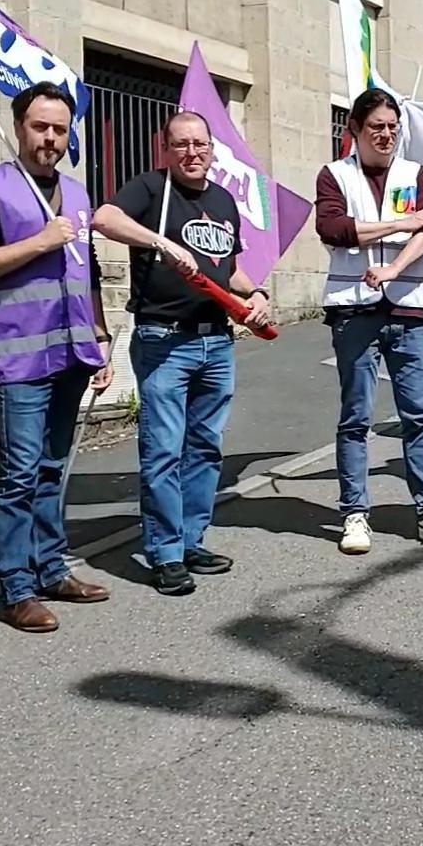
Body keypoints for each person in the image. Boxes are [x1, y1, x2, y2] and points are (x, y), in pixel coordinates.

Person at [93, 111, 272, 594]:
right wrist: (160, 243)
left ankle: (192, 539)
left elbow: (226, 270)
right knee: (163, 451)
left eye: (200, 145)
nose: (192, 153)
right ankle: (166, 553)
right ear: (166, 150)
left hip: (216, 340)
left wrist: (256, 296)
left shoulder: (222, 201)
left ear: (212, 150)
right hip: (164, 340)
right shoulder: (151, 189)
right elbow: (103, 218)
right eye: (182, 145)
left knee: (206, 449)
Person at [0, 81, 113, 631]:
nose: (50, 137)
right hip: (20, 358)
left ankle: (52, 569)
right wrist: (39, 242)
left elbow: (89, 269)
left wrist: (100, 337)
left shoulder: (76, 194)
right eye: (40, 126)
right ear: (18, 127)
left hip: (73, 351)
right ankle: (16, 587)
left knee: (54, 468)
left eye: (59, 128)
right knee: (20, 474)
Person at [317, 88, 423, 555]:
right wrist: (401, 224)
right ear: (355, 130)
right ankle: (354, 514)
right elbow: (333, 229)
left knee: (419, 416)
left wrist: (396, 264)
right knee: (356, 416)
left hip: (411, 307)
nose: (386, 134)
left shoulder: (415, 174)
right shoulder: (334, 175)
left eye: (393, 127)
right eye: (376, 126)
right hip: (354, 308)